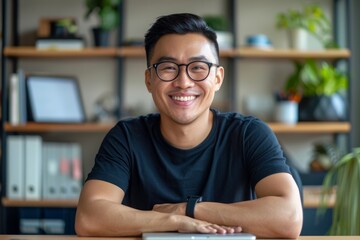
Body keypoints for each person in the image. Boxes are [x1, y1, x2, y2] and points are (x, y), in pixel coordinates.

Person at [75, 13, 303, 238]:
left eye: (197, 67)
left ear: (217, 78)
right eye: (168, 67)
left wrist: (188, 209)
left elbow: (289, 218)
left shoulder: (248, 134)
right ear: (149, 80)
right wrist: (174, 221)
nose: (183, 82)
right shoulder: (126, 137)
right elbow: (89, 217)